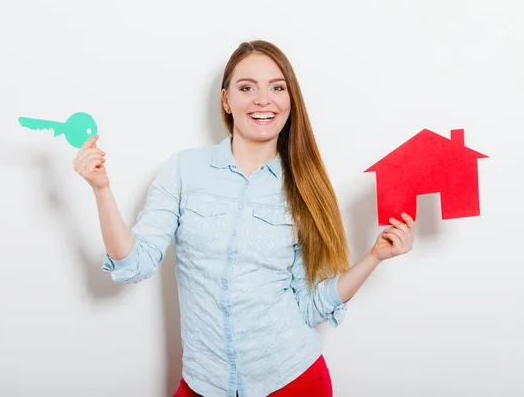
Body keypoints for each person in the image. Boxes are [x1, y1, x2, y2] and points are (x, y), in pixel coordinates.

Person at [72, 40, 415, 397]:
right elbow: (134, 265)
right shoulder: (183, 170)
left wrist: (375, 256)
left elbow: (310, 305)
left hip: (292, 381)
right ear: (226, 100)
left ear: (290, 101)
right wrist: (101, 190)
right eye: (247, 87)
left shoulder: (305, 186)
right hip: (205, 383)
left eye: (277, 88)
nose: (263, 99)